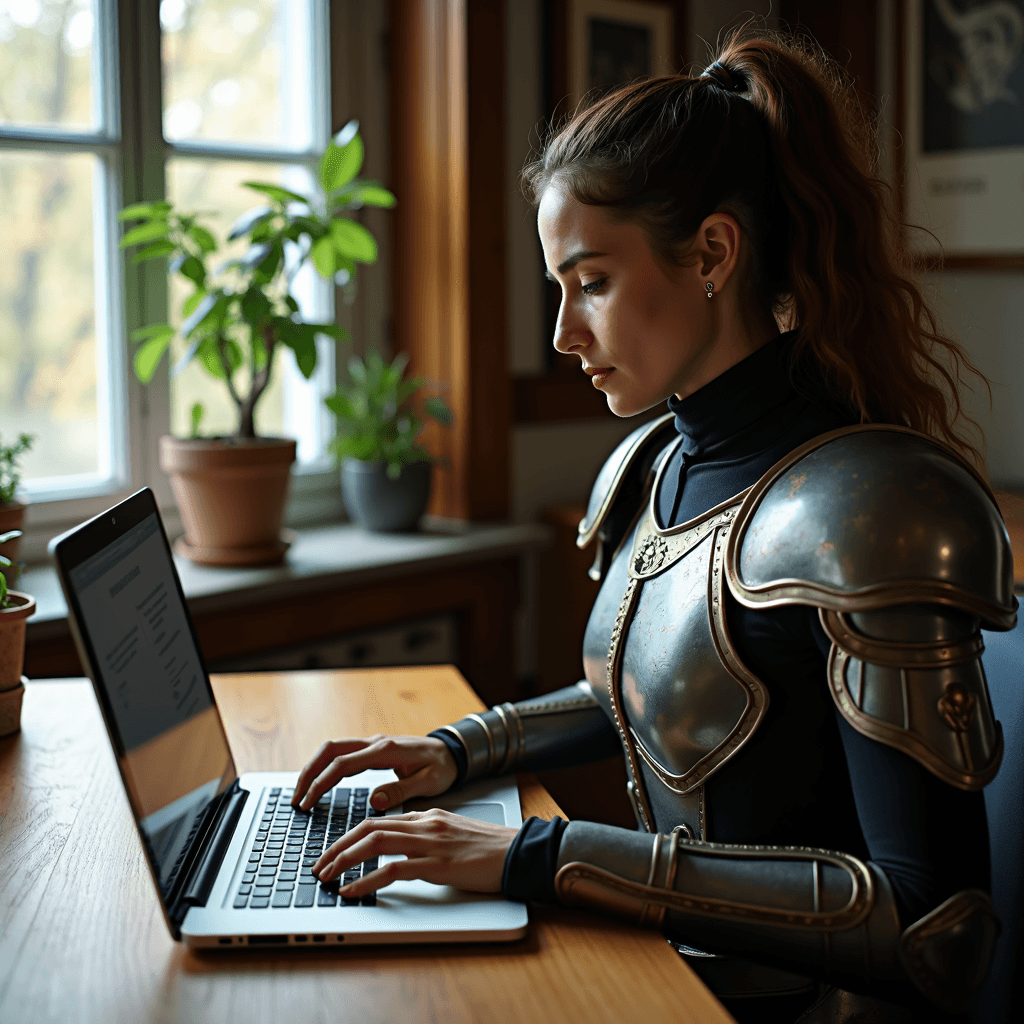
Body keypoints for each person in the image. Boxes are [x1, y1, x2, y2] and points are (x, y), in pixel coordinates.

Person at [290, 30, 1015, 1023]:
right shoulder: (652, 462)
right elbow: (659, 695)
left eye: (590, 282)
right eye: (559, 287)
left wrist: (534, 856)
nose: (561, 333)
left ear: (713, 252)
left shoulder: (869, 506)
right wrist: (457, 751)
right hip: (676, 979)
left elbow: (938, 928)